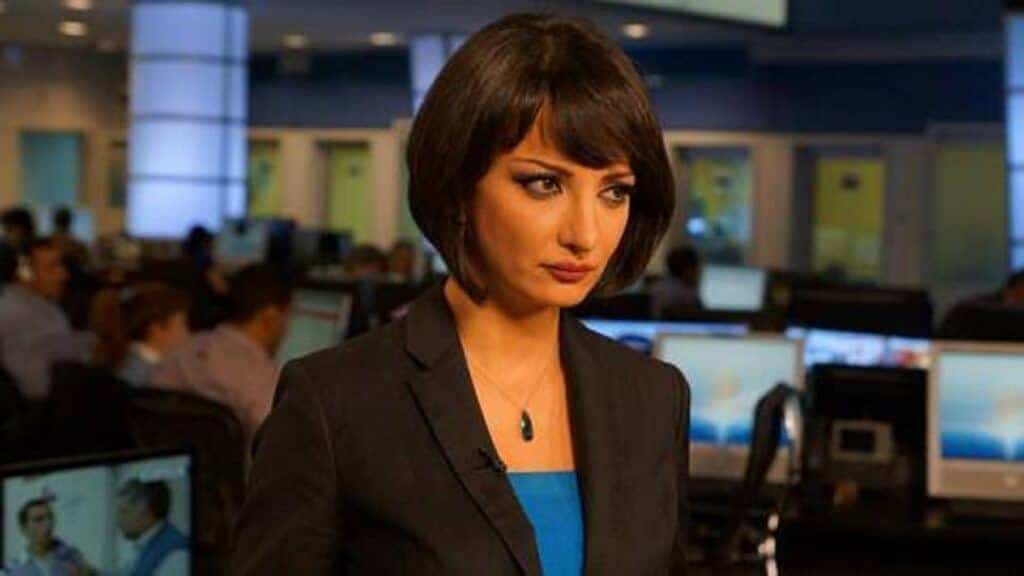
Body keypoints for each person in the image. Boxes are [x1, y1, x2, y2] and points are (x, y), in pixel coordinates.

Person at [234, 13, 689, 575]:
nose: (585, 234)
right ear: (457, 187)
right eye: (544, 184)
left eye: (613, 192)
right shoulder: (336, 403)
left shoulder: (653, 396)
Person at [149, 264, 293, 440]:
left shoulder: (182, 352)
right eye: (288, 317)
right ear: (270, 317)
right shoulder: (262, 377)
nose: (288, 329)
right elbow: (279, 443)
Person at [0, 238, 93, 400]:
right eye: (52, 267)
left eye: (61, 266)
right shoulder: (13, 313)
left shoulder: (42, 304)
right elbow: (35, 387)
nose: (63, 275)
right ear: (25, 273)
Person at [90, 283, 191, 387]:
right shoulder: (151, 378)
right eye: (182, 324)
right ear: (156, 329)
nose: (187, 333)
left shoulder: (123, 361)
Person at [115, 480, 189, 576]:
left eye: (124, 511)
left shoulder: (177, 553)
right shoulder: (146, 545)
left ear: (144, 510)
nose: (118, 520)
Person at [10, 498, 93, 576]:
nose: (48, 524)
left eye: (50, 518)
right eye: (39, 519)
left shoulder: (71, 555)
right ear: (24, 528)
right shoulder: (16, 568)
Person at [651, 244, 704, 318]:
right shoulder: (685, 294)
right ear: (688, 270)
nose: (699, 272)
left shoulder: (659, 286)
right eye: (697, 267)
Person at [0, 208, 36, 285]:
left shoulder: (37, 252)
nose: (6, 235)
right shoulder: (4, 252)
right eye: (5, 230)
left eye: (9, 229)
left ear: (24, 230)